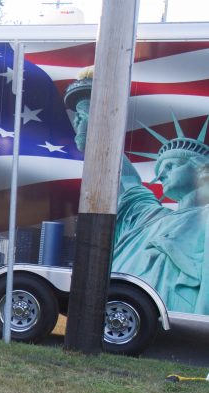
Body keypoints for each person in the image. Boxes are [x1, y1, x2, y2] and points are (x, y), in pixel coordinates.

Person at [64, 71, 208, 315]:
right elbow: (126, 180)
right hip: (127, 321)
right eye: (160, 169)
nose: (161, 174)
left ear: (203, 170)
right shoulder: (150, 218)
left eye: (172, 165)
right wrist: (92, 122)